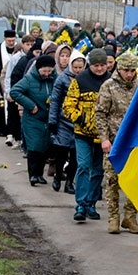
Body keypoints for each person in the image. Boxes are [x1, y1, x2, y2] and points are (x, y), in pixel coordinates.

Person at [63, 48, 112, 222]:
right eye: (96, 65)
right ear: (90, 65)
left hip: (103, 136)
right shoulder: (80, 80)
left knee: (98, 170)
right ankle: (81, 204)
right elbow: (68, 106)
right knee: (83, 166)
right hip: (82, 133)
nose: (99, 69)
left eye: (102, 65)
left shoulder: (111, 81)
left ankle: (91, 202)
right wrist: (81, 118)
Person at [95, 51, 138, 234]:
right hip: (114, 141)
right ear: (119, 69)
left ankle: (130, 217)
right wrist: (104, 139)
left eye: (132, 70)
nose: (129, 74)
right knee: (112, 180)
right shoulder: (108, 86)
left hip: (134, 142)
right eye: (126, 70)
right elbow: (100, 114)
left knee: (134, 180)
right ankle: (113, 217)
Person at [10, 54, 56, 186]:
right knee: (34, 146)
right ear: (38, 69)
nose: (47, 74)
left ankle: (40, 174)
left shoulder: (54, 78)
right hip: (33, 118)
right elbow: (15, 92)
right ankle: (33, 175)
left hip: (48, 118)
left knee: (44, 146)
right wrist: (30, 105)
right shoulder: (29, 79)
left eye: (49, 71)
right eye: (44, 71)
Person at [49, 49, 85, 194]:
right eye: (75, 67)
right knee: (61, 152)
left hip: (79, 121)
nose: (77, 70)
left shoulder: (86, 79)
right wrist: (52, 120)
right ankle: (58, 176)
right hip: (63, 121)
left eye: (80, 68)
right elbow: (55, 100)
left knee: (75, 154)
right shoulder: (62, 79)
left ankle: (70, 182)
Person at [0, 29, 18, 136]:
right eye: (9, 41)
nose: (11, 43)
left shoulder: (18, 48)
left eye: (13, 40)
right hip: (1, 80)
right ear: (5, 39)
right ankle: (0, 128)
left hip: (14, 80)